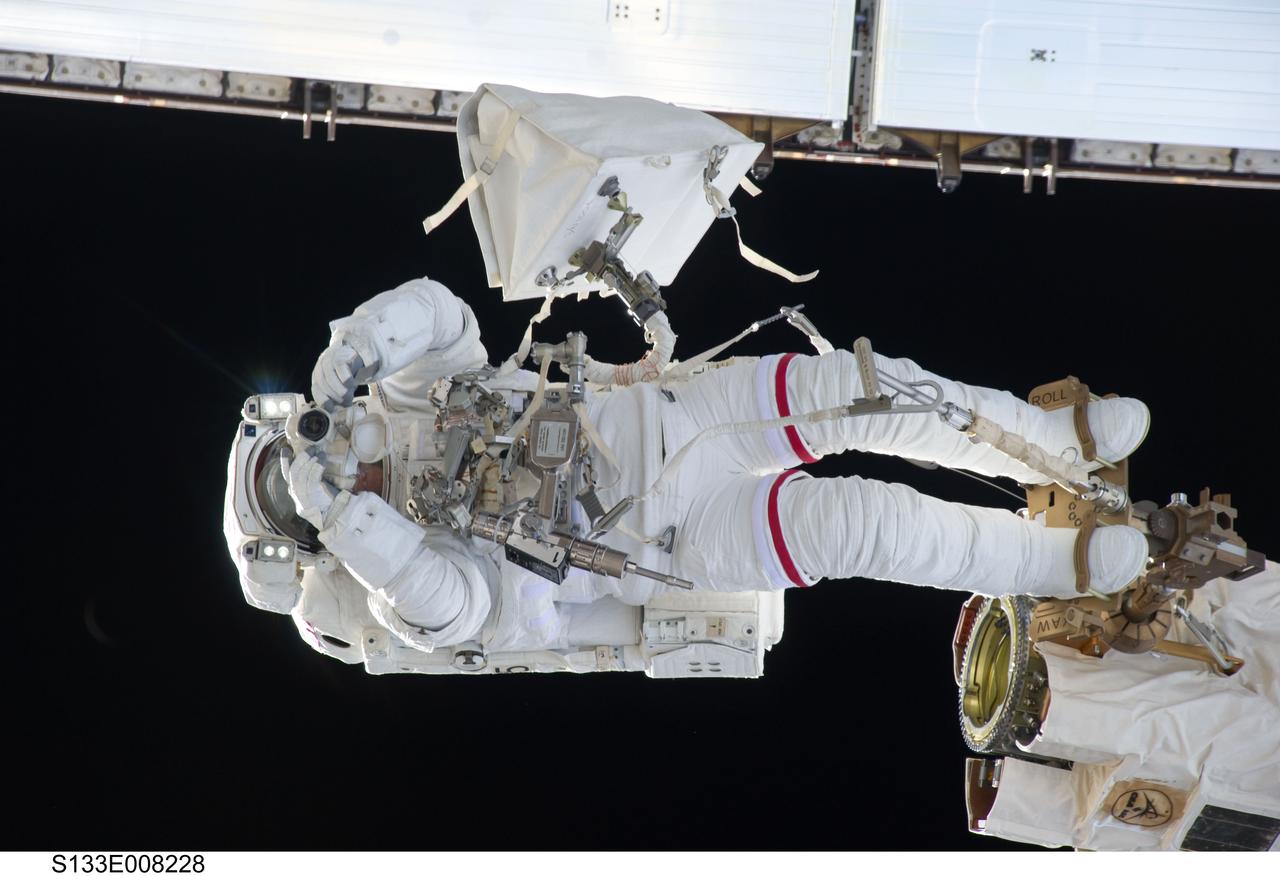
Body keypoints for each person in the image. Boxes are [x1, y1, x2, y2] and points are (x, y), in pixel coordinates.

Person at [225, 274, 1150, 660]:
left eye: (300, 454)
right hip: (668, 539)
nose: (344, 465)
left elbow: (442, 315)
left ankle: (1058, 444)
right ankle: (1052, 566)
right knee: (880, 526)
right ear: (318, 532)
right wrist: (359, 525)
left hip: (673, 414)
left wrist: (359, 347)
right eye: (312, 495)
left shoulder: (407, 395)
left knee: (875, 390)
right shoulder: (402, 589)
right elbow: (472, 611)